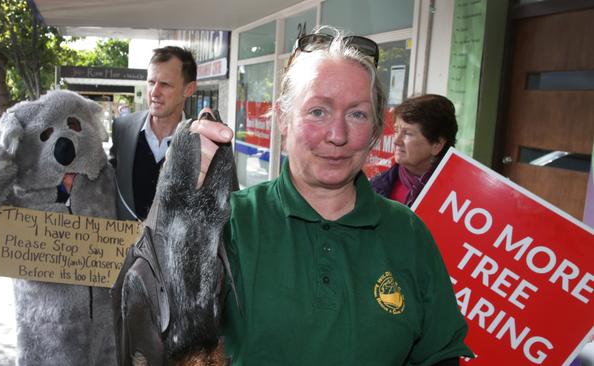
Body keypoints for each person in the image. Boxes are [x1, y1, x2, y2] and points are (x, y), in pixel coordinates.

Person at [193, 27, 472, 365]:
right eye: (318, 111)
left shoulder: (408, 233)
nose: (338, 135)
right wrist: (179, 203)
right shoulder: (231, 222)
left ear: (373, 131)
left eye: (357, 114)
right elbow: (159, 325)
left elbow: (440, 355)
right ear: (283, 119)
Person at [109, 46, 197, 220]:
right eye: (151, 82)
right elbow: (108, 182)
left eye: (165, 84)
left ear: (188, 89)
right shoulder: (122, 128)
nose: (154, 92)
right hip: (125, 244)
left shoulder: (202, 141)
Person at [370, 94, 458, 207]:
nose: (396, 141)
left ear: (437, 145)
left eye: (407, 133)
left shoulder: (460, 198)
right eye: (396, 130)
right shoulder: (375, 187)